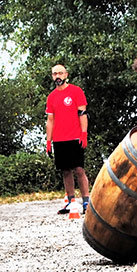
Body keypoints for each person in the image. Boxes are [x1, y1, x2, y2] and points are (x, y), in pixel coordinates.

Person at [45, 64, 90, 214]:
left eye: (60, 73)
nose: (57, 76)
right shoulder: (51, 97)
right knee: (65, 171)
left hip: (75, 136)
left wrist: (84, 133)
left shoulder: (76, 91)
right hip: (59, 139)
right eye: (54, 74)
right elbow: (50, 120)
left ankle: (86, 201)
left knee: (79, 169)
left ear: (66, 74)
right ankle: (71, 201)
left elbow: (82, 113)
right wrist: (48, 141)